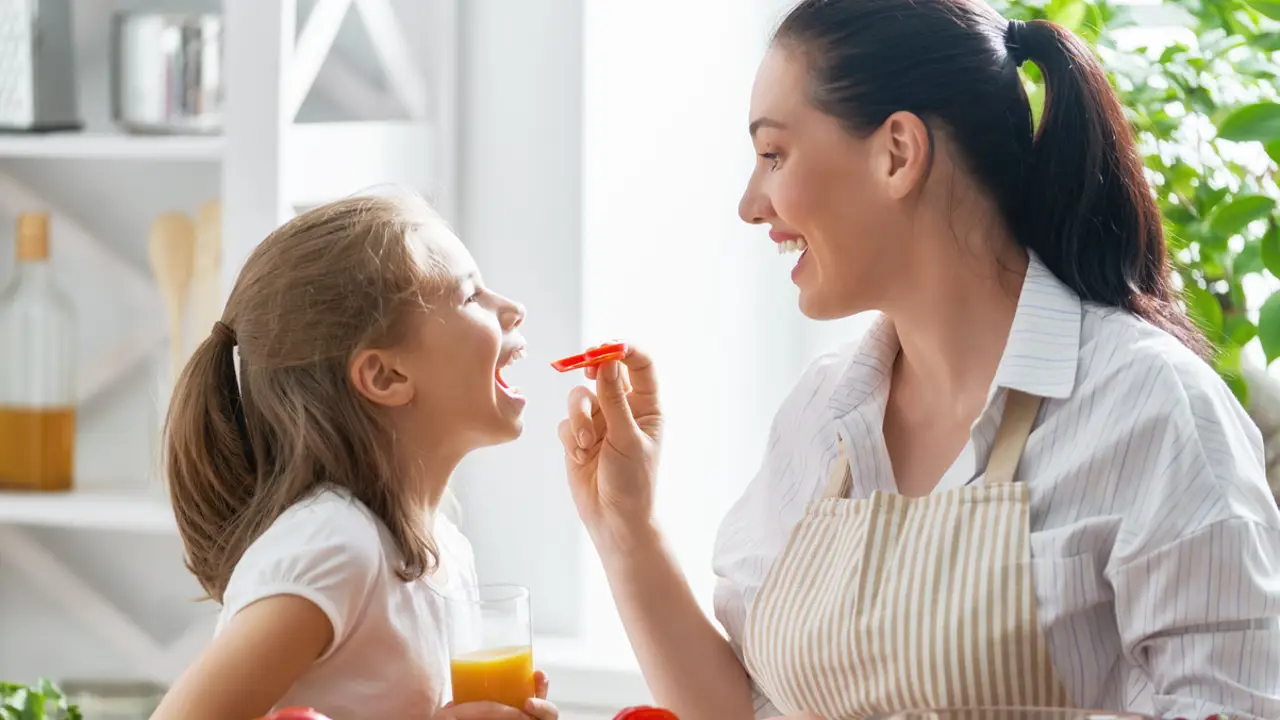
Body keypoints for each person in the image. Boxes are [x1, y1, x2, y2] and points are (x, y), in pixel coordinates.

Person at [558, 1, 1280, 719]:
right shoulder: (821, 413)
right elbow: (749, 709)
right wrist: (627, 526)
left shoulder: (1152, 406)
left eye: (775, 155)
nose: (751, 204)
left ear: (897, 153)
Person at [151, 193, 558, 720]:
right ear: (386, 376)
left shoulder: (445, 552)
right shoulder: (335, 547)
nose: (512, 308)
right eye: (469, 295)